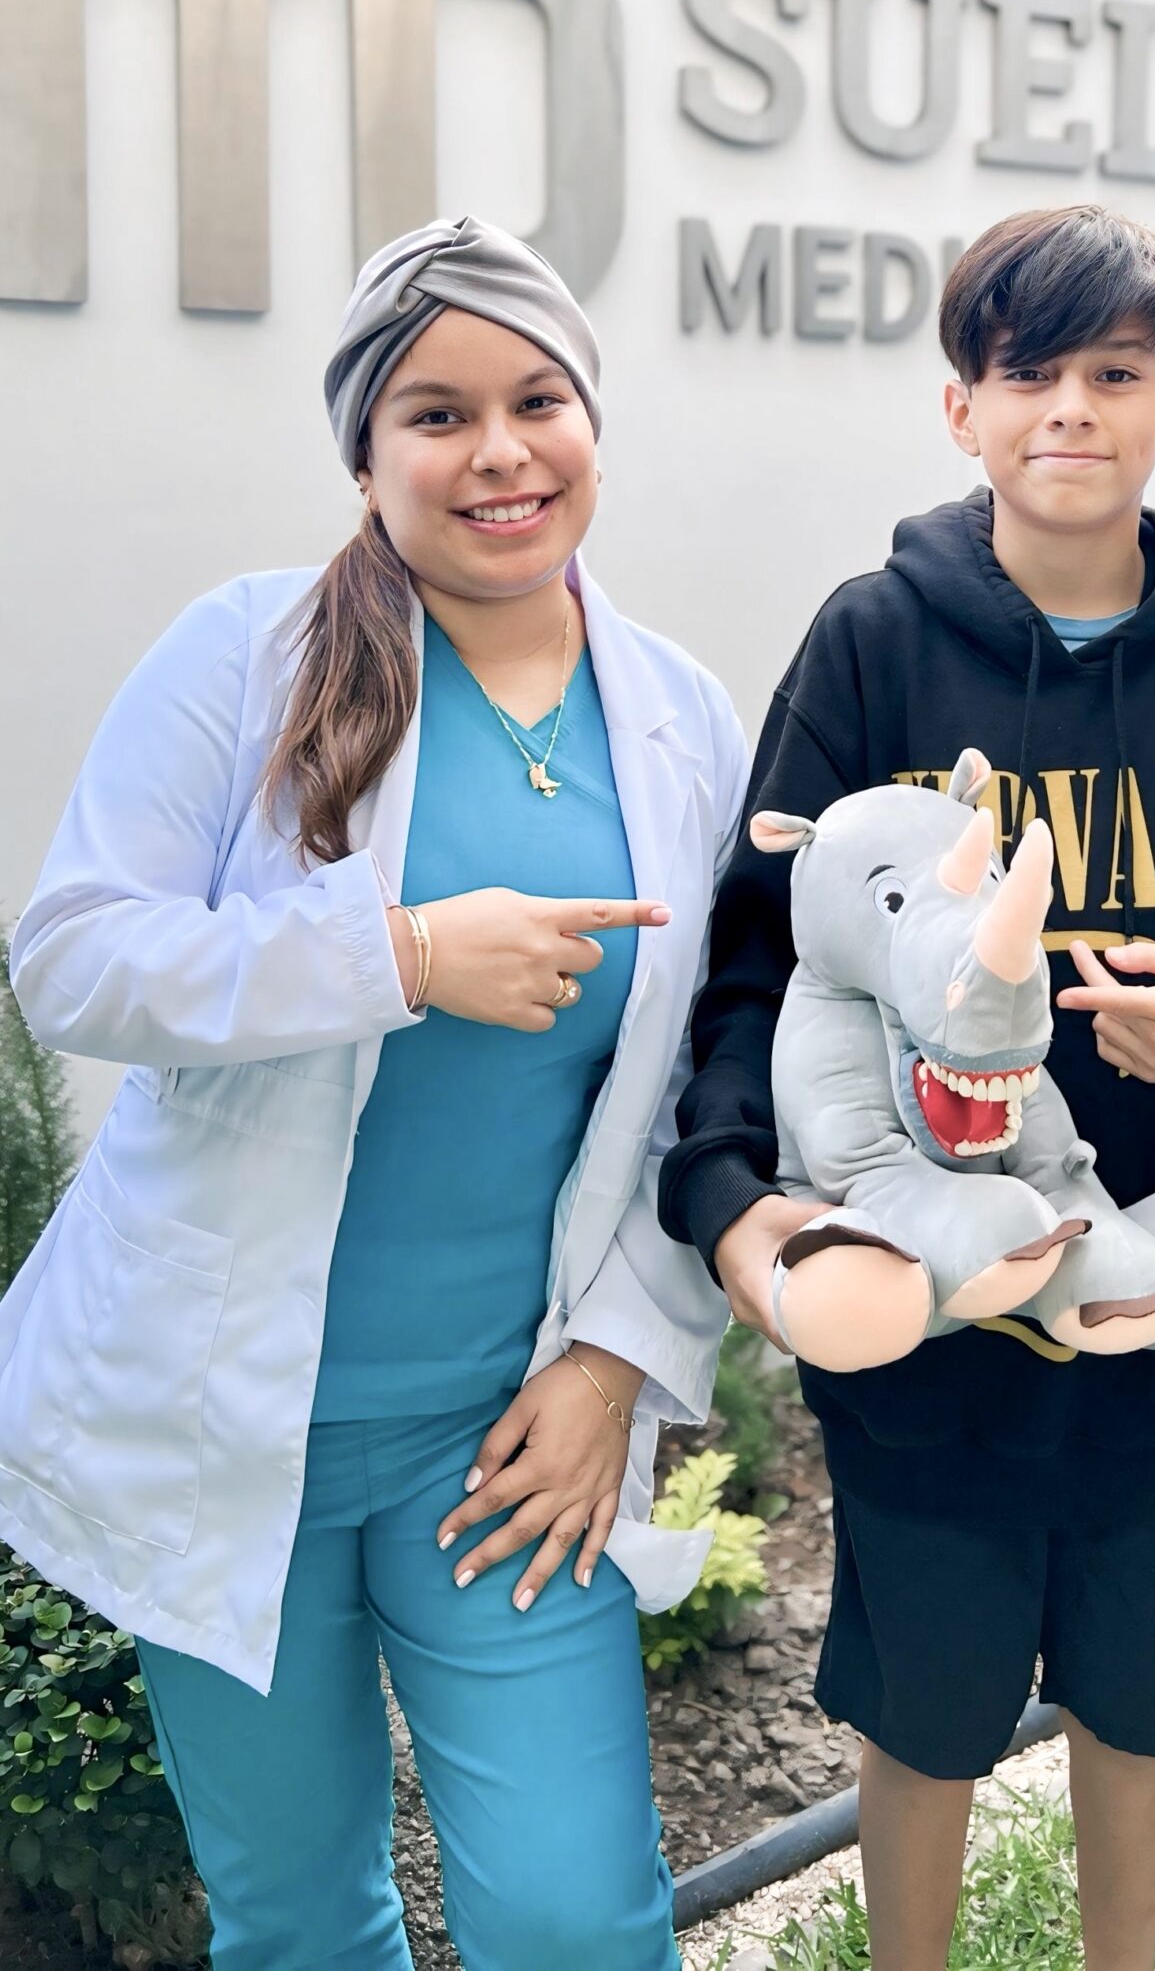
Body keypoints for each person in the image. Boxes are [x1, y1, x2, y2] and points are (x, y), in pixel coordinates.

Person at [2, 218, 747, 1971]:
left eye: (538, 401)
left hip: (503, 1434)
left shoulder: (682, 716)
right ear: (365, 455)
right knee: (296, 1922)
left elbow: (710, 1080)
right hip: (226, 1420)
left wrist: (615, 1361)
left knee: (576, 1919)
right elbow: (76, 959)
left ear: (592, 424)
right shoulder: (246, 654)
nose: (499, 452)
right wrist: (395, 954)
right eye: (437, 414)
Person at [660, 204, 1155, 1971]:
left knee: (1146, 1702)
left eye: (1117, 372)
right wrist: (739, 1194)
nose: (1071, 410)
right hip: (935, 1306)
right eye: (1028, 374)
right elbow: (763, 950)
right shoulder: (874, 642)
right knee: (930, 1714)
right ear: (962, 407)